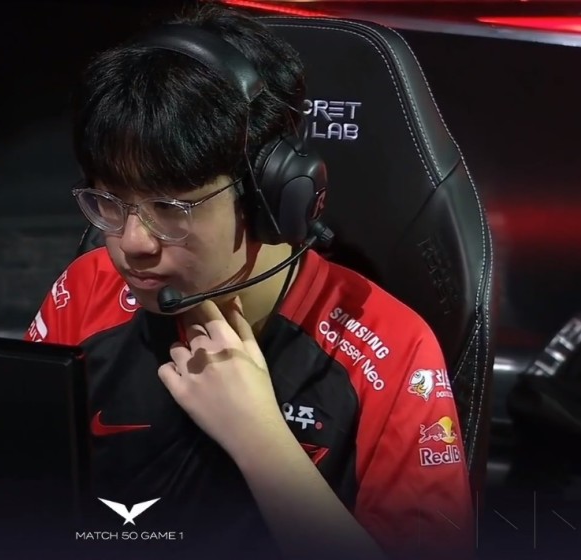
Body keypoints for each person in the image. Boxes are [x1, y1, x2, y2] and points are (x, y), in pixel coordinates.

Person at [26, 4, 473, 559]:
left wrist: (260, 441)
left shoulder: (391, 350)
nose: (133, 242)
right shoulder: (85, 291)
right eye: (110, 202)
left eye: (171, 208)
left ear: (270, 198)